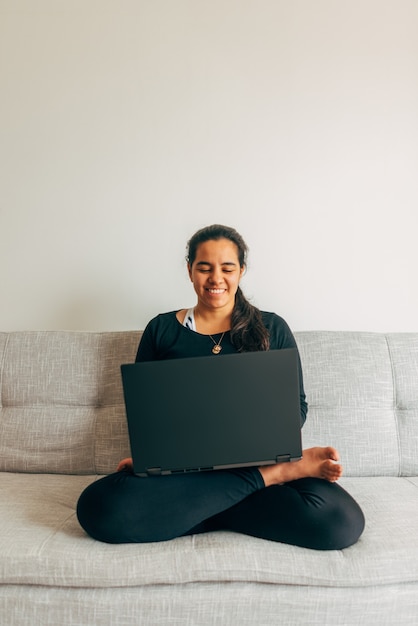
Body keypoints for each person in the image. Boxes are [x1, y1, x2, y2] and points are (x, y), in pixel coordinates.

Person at [77, 224, 365, 549]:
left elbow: (294, 409)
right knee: (98, 506)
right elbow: (146, 416)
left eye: (227, 268)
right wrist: (149, 458)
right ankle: (273, 477)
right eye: (205, 268)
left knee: (341, 520)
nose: (216, 278)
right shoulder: (160, 330)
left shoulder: (272, 328)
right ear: (190, 270)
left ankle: (192, 509)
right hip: (184, 472)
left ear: (241, 271)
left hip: (250, 462)